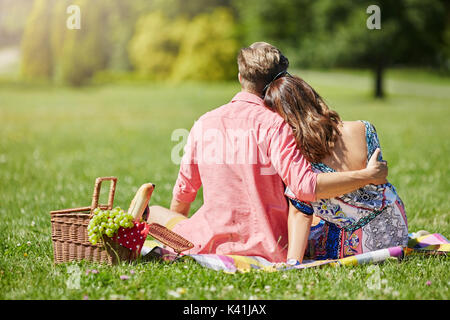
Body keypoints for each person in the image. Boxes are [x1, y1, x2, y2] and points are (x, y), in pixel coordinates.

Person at [147, 42, 388, 263]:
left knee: (156, 211)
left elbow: (184, 192)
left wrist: (185, 233)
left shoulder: (204, 123)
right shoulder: (279, 125)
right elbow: (305, 187)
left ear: (241, 77)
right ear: (281, 79)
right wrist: (367, 175)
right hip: (272, 246)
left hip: (210, 243)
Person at [263, 74, 408, 264]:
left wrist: (293, 262)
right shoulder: (364, 128)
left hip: (360, 246)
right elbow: (379, 183)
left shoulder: (299, 155)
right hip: (394, 229)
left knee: (302, 228)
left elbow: (301, 213)